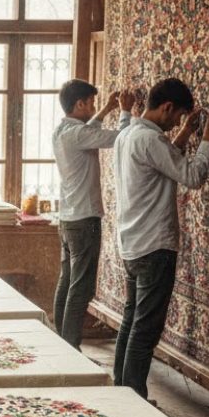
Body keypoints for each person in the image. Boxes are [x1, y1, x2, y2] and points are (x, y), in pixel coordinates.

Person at [112, 78, 209, 399]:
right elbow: (191, 176)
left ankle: (120, 392)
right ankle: (133, 398)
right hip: (154, 247)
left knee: (131, 320)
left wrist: (187, 132)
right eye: (177, 116)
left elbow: (161, 162)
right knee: (145, 329)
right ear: (166, 107)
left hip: (133, 244)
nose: (177, 122)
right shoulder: (152, 141)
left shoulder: (128, 135)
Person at [51, 79, 135, 350]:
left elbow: (88, 130)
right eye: (92, 103)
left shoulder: (63, 130)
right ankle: (71, 348)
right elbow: (120, 138)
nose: (94, 106)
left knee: (67, 282)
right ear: (79, 104)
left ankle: (63, 344)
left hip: (67, 218)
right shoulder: (77, 134)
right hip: (84, 219)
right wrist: (124, 111)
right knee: (81, 287)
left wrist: (106, 110)